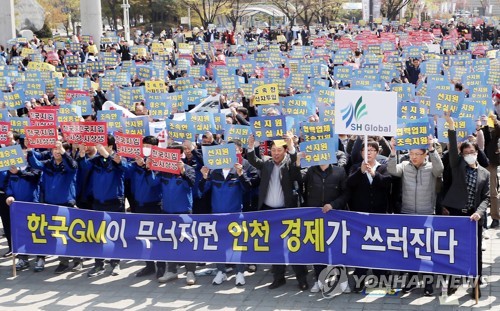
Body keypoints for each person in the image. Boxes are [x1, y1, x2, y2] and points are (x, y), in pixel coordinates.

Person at [246, 132, 309, 290]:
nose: (276, 153)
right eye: (273, 150)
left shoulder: (290, 164)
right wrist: (251, 145)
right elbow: (253, 159)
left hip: (287, 212)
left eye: (279, 150)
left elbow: (297, 175)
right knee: (275, 246)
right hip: (269, 212)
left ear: (285, 151)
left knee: (294, 246)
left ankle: (301, 278)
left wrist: (293, 148)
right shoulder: (266, 164)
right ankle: (278, 278)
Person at [387, 133, 444, 296]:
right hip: (408, 214)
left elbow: (440, 169)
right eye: (411, 154)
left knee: (426, 252)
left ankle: (428, 284)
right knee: (410, 251)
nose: (413, 157)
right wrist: (393, 151)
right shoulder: (404, 166)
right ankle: (411, 282)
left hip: (426, 214)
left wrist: (432, 148)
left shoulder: (430, 167)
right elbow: (392, 169)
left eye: (417, 154)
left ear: (425, 154)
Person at [442, 113, 489, 299]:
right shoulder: (457, 165)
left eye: (472, 153)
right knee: (454, 248)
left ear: (477, 153)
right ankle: (454, 282)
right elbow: (453, 149)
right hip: (455, 213)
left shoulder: (485, 173)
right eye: (466, 153)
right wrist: (451, 126)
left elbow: (486, 198)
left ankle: (476, 284)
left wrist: (479, 213)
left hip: (473, 217)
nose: (469, 155)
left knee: (475, 252)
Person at [297, 152, 349, 293]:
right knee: (317, 249)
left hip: (334, 216)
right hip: (315, 217)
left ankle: (341, 280)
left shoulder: (339, 171)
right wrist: (297, 162)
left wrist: (333, 205)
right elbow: (298, 181)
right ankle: (320, 280)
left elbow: (346, 194)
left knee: (337, 249)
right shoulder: (310, 170)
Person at [28, 141, 81, 274]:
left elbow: (73, 166)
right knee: (59, 235)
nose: (56, 151)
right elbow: (36, 164)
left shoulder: (69, 164)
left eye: (59, 149)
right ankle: (63, 262)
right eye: (54, 149)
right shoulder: (48, 164)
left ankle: (77, 260)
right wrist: (29, 150)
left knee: (71, 235)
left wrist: (63, 152)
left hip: (67, 204)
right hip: (51, 205)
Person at [346, 141, 392, 292]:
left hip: (379, 214)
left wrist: (374, 174)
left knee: (379, 247)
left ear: (377, 152)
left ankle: (380, 276)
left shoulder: (383, 167)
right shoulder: (355, 167)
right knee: (361, 247)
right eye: (366, 150)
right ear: (361, 153)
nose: (369, 153)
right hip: (360, 215)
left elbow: (387, 184)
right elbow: (349, 185)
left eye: (372, 150)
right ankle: (360, 278)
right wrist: (360, 171)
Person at [150, 145, 197, 285]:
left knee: (187, 241)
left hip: (184, 211)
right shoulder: (163, 170)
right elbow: (153, 183)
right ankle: (171, 270)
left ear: (180, 155)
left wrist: (182, 171)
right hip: (167, 211)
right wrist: (149, 168)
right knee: (169, 241)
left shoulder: (188, 169)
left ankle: (190, 272)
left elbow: (190, 184)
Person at [200, 158, 251, 286]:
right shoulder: (214, 172)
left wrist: (241, 174)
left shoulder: (238, 171)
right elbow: (203, 190)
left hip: (235, 215)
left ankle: (240, 272)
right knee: (220, 244)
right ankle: (221, 271)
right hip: (218, 215)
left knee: (237, 244)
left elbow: (247, 188)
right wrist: (204, 176)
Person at [83, 136, 126, 277]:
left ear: (111, 147)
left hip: (114, 202)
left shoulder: (119, 159)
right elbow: (82, 167)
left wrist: (107, 156)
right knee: (98, 235)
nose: (100, 146)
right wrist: (82, 154)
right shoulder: (95, 161)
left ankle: (115, 263)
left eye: (103, 144)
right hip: (97, 202)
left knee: (115, 234)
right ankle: (98, 264)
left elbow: (123, 168)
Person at [126, 136, 165, 280]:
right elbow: (125, 171)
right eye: (145, 145)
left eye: (149, 146)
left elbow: (154, 183)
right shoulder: (136, 162)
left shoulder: (160, 162)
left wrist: (146, 168)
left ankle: (161, 266)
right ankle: (149, 265)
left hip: (154, 205)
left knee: (157, 237)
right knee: (143, 237)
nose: (146, 148)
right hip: (139, 205)